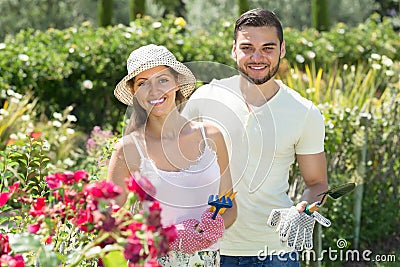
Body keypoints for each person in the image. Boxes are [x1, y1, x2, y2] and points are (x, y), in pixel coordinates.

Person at [181, 8, 329, 266]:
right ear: (233, 50)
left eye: (268, 48)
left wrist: (304, 209)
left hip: (274, 252)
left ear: (282, 50)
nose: (257, 57)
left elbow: (317, 183)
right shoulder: (204, 98)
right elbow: (174, 166)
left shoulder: (304, 113)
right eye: (247, 47)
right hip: (209, 251)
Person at [107, 44, 237, 266]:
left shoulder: (211, 137)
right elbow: (112, 225)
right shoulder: (128, 149)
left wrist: (213, 226)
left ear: (177, 82)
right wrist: (169, 236)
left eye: (163, 80)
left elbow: (230, 206)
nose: (154, 90)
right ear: (133, 92)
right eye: (143, 83)